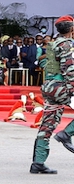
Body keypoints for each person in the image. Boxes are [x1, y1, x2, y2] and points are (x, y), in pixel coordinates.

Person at [31, 16, 74, 174]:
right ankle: (66, 134)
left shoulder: (52, 44)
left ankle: (38, 162)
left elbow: (44, 64)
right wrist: (71, 88)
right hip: (61, 86)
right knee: (50, 124)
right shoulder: (67, 45)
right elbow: (69, 68)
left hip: (49, 86)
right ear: (71, 30)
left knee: (47, 124)